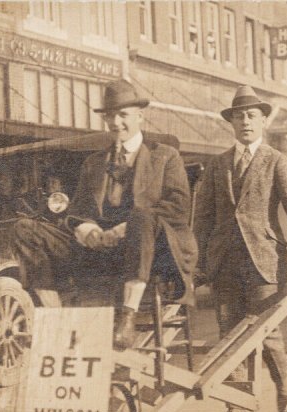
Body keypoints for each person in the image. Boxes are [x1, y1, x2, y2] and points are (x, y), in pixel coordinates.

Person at [12, 80, 197, 350]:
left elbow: (178, 206)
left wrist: (125, 228)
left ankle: (127, 318)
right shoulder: (94, 163)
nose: (116, 122)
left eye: (123, 115)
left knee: (141, 217)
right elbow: (78, 212)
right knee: (25, 229)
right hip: (101, 251)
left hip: (151, 252)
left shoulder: (165, 156)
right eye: (110, 116)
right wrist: (86, 229)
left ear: (139, 116)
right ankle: (56, 318)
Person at [193, 85, 287, 412]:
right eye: (239, 116)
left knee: (265, 332)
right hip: (224, 261)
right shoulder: (217, 164)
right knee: (229, 335)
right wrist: (200, 261)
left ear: (263, 121)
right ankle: (236, 405)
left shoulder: (276, 161)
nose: (246, 122)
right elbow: (203, 218)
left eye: (252, 116)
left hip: (264, 261)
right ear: (232, 123)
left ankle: (283, 380)